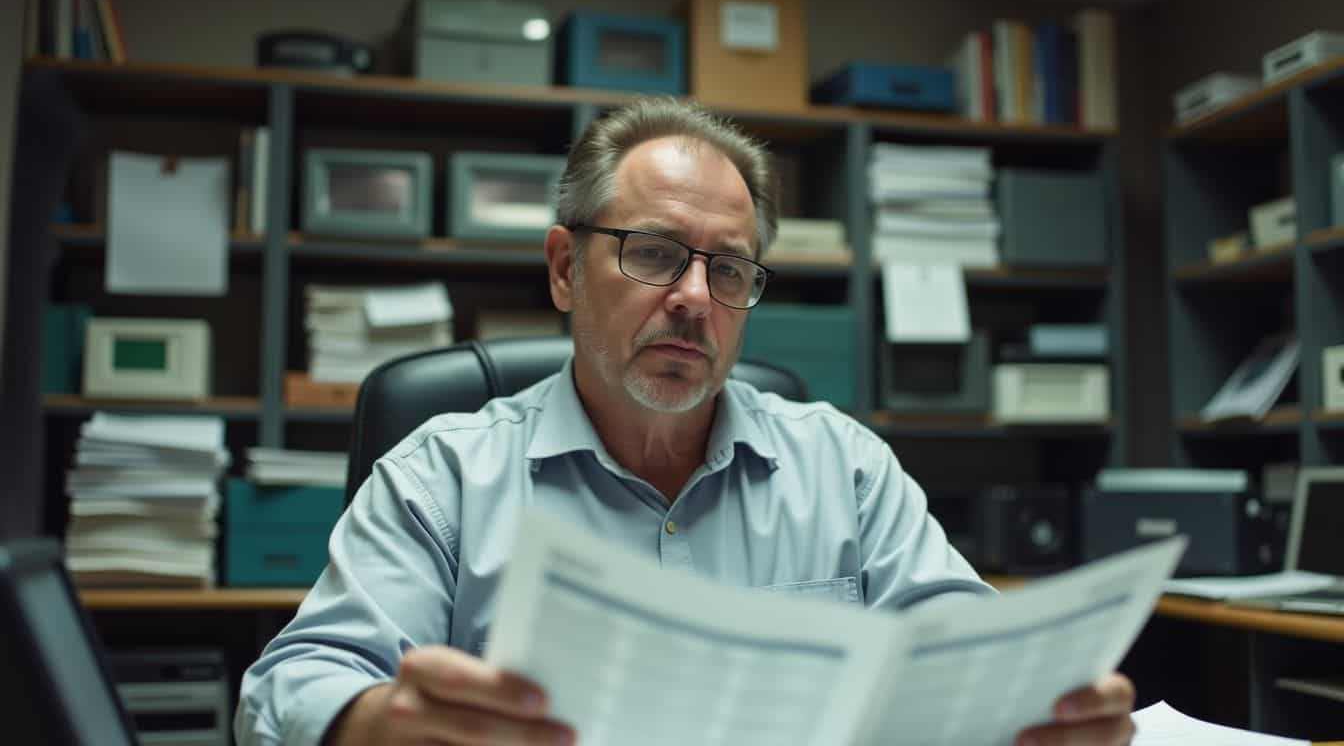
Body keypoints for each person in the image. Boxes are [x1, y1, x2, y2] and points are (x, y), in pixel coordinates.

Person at [235, 98, 1136, 746]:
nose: (695, 300)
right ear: (563, 269)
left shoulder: (843, 466)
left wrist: (1031, 711)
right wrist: (376, 725)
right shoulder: (442, 477)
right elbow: (287, 687)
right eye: (655, 254)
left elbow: (965, 649)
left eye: (731, 271)